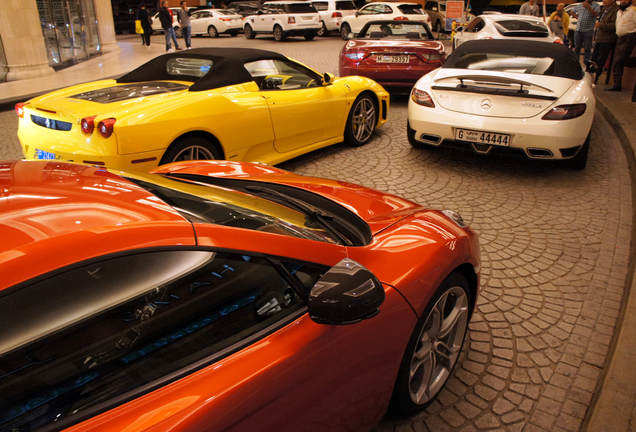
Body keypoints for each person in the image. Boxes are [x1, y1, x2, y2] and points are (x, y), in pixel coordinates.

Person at [606, 0, 636, 91]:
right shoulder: (619, 12)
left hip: (629, 37)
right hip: (620, 37)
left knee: (619, 60)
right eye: (622, 0)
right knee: (616, 61)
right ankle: (617, 85)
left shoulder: (633, 11)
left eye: (625, 0)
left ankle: (634, 62)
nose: (623, 1)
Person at [592, 0, 619, 84]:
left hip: (607, 40)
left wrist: (601, 25)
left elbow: (615, 25)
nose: (604, 1)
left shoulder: (616, 10)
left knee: (600, 61)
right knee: (593, 59)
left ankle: (595, 79)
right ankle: (590, 77)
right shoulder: (604, 9)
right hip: (599, 38)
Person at [570, 0, 601, 65]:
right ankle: (575, 63)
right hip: (578, 30)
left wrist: (588, 7)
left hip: (588, 30)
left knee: (587, 48)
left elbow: (596, 14)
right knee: (577, 47)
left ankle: (587, 63)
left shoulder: (596, 5)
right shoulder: (581, 5)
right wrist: (577, 17)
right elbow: (572, 11)